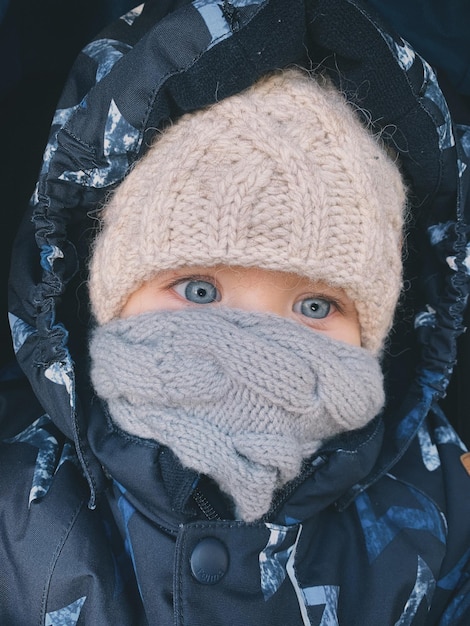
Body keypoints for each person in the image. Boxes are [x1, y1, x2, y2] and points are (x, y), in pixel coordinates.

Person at [1, 1, 470, 624]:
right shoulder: (19, 503)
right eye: (199, 290)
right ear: (110, 298)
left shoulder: (443, 503)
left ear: (374, 333)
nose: (257, 345)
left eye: (314, 304)